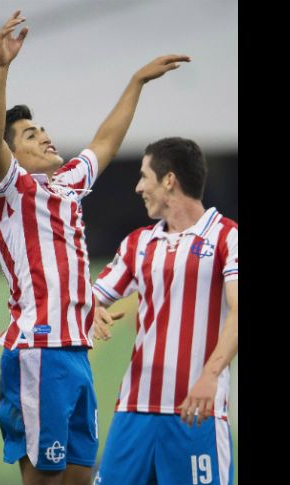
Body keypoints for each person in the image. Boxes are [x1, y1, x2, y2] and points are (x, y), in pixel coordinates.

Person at [0, 10, 190, 484]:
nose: (45, 136)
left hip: (74, 351)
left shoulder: (68, 182)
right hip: (39, 349)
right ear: (14, 154)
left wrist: (136, 81)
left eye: (42, 128)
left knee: (78, 474)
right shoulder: (12, 189)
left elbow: (106, 140)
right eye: (30, 134)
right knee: (44, 475)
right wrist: (1, 68)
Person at [91, 137, 237, 485]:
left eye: (145, 176)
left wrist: (211, 375)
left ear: (169, 180)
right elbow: (91, 298)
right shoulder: (138, 243)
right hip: (133, 412)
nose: (139, 186)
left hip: (196, 411)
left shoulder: (226, 237)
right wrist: (89, 308)